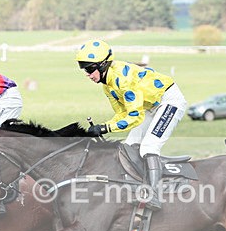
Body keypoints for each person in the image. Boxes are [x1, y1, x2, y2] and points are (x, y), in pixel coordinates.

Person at [76, 40, 187, 210]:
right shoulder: (107, 86)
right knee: (128, 147)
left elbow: (134, 117)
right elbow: (122, 114)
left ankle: (153, 195)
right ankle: (133, 187)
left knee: (149, 147)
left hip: (169, 101)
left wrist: (105, 128)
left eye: (90, 69)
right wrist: (102, 126)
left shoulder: (122, 79)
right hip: (149, 106)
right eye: (84, 70)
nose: (88, 74)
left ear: (103, 64)